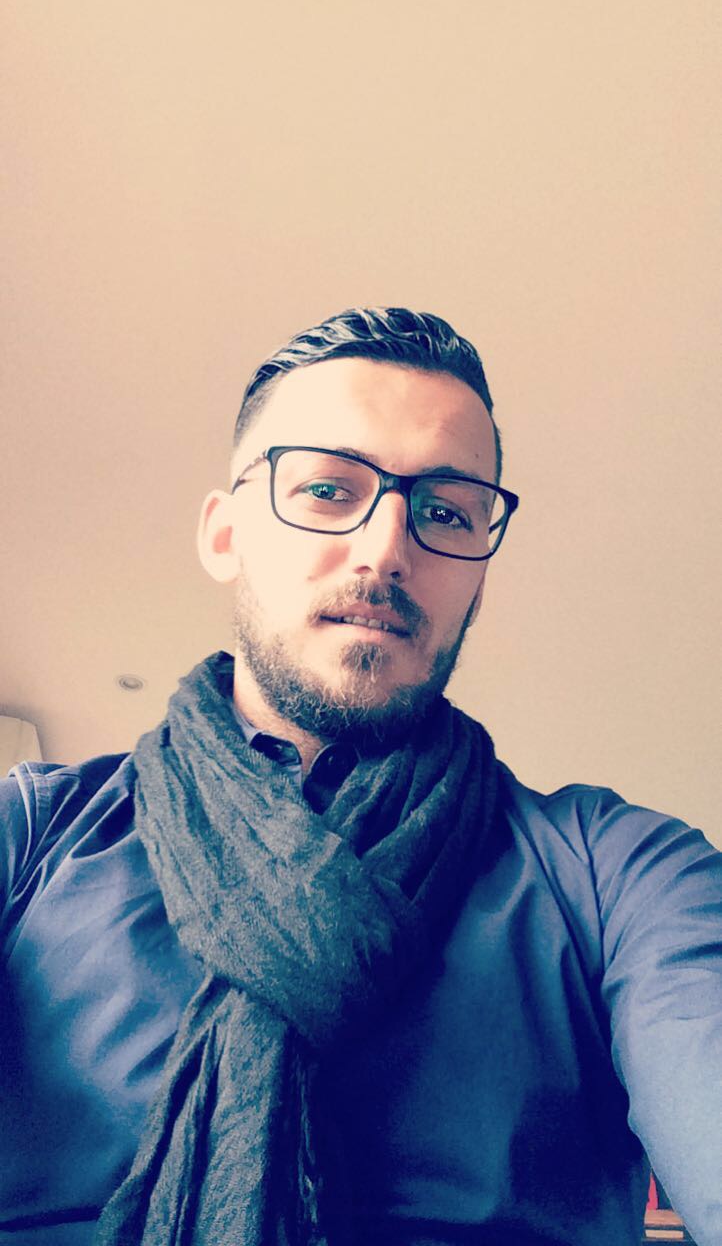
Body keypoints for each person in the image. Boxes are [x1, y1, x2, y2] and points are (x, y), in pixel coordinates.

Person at [0, 307, 719, 1246]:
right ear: (224, 534)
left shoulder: (616, 875)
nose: (386, 549)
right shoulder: (34, 831)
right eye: (328, 489)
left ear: (478, 579)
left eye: (445, 511)